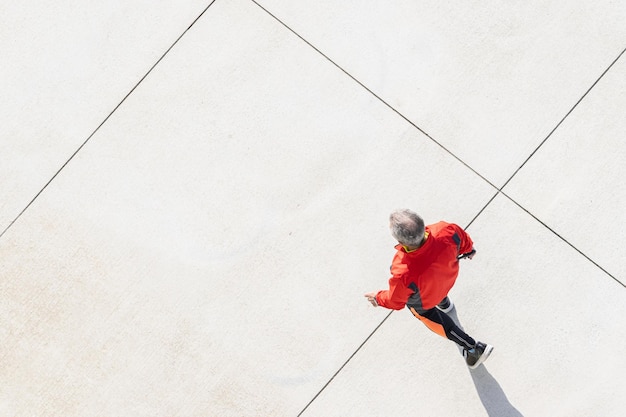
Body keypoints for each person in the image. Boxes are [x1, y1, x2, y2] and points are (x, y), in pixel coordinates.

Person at [364, 209, 493, 369]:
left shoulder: (403, 270)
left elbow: (395, 301)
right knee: (435, 285)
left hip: (425, 301)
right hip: (447, 279)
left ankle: (474, 348)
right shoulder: (445, 229)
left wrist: (377, 298)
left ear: (402, 242)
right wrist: (469, 250)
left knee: (437, 322)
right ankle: (445, 304)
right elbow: (464, 240)